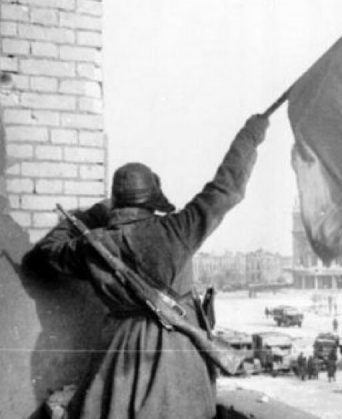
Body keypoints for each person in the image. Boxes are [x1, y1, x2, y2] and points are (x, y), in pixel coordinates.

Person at [25, 113, 270, 418]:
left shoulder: (92, 244)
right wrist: (249, 137)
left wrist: (91, 216)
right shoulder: (177, 230)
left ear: (116, 200)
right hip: (178, 350)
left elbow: (46, 253)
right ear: (152, 199)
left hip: (120, 352)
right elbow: (225, 189)